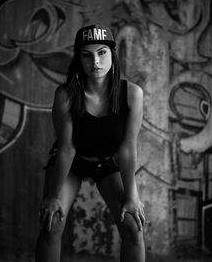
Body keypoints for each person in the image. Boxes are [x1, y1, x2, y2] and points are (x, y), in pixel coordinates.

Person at [35, 24, 145, 262]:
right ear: (78, 59)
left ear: (112, 55)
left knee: (133, 226)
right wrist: (53, 196)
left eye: (102, 52)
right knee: (52, 222)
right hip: (72, 163)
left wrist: (132, 196)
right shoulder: (66, 95)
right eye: (87, 54)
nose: (95, 61)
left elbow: (127, 149)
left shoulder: (132, 94)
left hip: (107, 163)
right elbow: (67, 148)